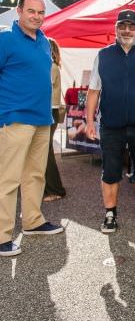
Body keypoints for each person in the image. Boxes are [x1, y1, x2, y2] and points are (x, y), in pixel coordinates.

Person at [0, 0, 64, 257]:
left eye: (40, 12)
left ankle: (33, 221)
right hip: (15, 118)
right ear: (19, 11)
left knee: (35, 175)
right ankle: (2, 235)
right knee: (8, 179)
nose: (37, 16)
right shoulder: (5, 39)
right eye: (31, 11)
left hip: (41, 118)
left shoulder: (43, 42)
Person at [85, 9, 135, 234]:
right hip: (111, 125)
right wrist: (89, 121)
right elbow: (94, 90)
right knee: (110, 171)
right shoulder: (103, 55)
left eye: (132, 26)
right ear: (115, 29)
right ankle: (110, 213)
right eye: (122, 26)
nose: (127, 30)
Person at [43, 38, 67, 202]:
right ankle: (50, 187)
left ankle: (55, 189)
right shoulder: (51, 66)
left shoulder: (50, 67)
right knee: (44, 151)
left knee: (46, 151)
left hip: (49, 111)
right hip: (48, 111)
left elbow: (43, 87)